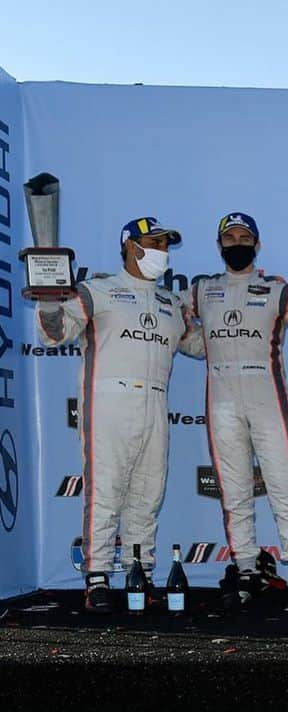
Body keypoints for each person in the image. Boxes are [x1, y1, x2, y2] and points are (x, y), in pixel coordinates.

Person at [35, 216, 203, 612]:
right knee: (106, 490)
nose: (162, 250)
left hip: (156, 402)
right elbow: (53, 333)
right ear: (131, 245)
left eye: (165, 244)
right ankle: (96, 578)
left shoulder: (171, 302)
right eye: (155, 242)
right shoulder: (97, 290)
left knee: (148, 494)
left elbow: (198, 346)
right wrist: (46, 296)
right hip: (109, 400)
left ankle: (138, 573)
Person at [186, 212, 288, 610]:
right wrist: (202, 344)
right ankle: (245, 569)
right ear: (219, 245)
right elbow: (180, 335)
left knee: (282, 489)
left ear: (256, 245)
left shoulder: (276, 289)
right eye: (229, 237)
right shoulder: (201, 290)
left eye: (244, 237)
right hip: (222, 399)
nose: (236, 243)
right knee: (235, 493)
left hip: (267, 399)